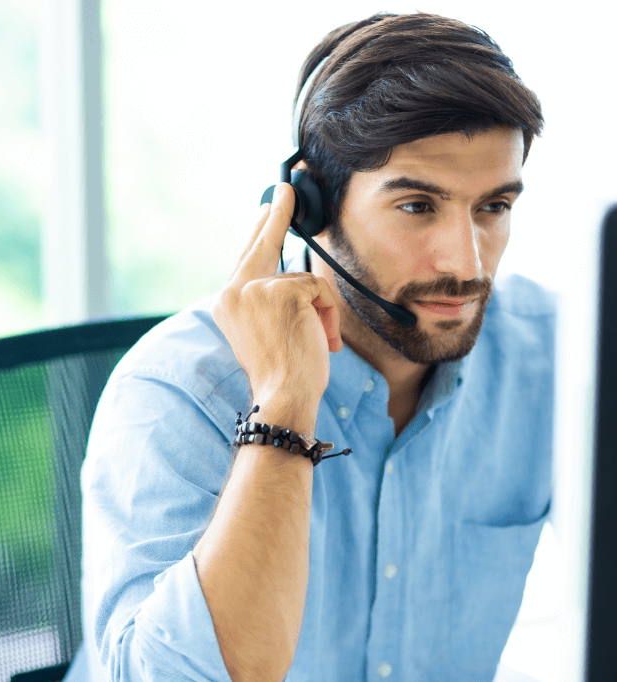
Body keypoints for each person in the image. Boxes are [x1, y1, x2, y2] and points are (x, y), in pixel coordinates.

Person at [79, 11, 552, 682]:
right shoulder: (178, 391)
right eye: (418, 206)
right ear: (311, 206)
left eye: (493, 207)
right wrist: (284, 403)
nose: (467, 262)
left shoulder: (547, 357)